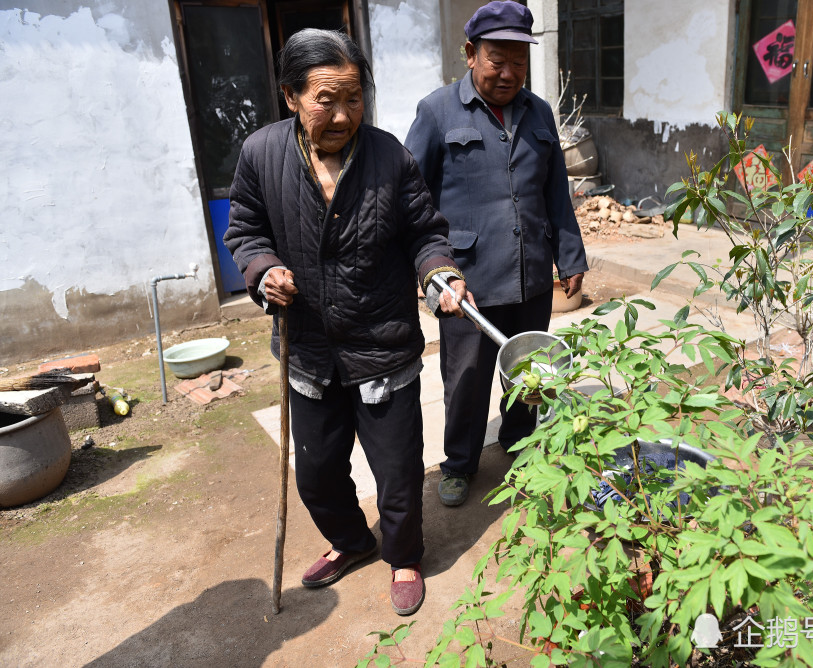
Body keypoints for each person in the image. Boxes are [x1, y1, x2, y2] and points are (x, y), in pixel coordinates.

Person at [224, 28, 471, 616]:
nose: (342, 114)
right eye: (325, 100)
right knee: (315, 474)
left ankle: (404, 555)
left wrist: (439, 272)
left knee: (398, 474)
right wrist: (263, 270)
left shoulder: (390, 156)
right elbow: (245, 229)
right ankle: (351, 542)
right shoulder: (261, 154)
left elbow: (424, 232)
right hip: (308, 347)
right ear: (291, 96)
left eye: (354, 98)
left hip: (381, 344)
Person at [405, 0, 588, 507]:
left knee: (528, 371)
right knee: (465, 376)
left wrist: (569, 256)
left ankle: (518, 441)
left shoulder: (540, 113)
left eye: (519, 61)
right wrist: (426, 272)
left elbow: (556, 193)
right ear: (470, 54)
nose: (509, 73)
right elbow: (410, 196)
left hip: (530, 271)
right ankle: (460, 464)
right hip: (467, 282)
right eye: (496, 59)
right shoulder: (437, 111)